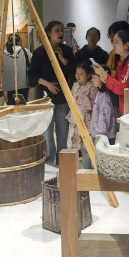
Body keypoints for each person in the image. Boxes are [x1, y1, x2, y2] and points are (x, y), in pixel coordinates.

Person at [28, 20, 76, 165]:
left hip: (63, 98)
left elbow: (74, 72)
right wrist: (47, 84)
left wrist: (63, 59)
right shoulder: (39, 52)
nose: (60, 33)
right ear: (48, 33)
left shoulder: (67, 51)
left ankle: (62, 161)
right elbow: (32, 76)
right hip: (45, 98)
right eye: (57, 30)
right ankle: (48, 161)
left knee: (63, 131)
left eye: (62, 30)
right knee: (47, 132)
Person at [93, 30, 129, 114]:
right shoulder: (123, 60)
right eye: (113, 42)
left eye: (116, 42)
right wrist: (104, 76)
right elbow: (116, 82)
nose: (113, 44)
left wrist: (104, 75)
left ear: (126, 45)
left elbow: (122, 88)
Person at [67, 61, 97, 169]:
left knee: (86, 148)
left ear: (88, 75)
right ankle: (73, 170)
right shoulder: (75, 85)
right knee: (73, 146)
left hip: (86, 121)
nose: (78, 76)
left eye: (81, 74)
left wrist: (81, 99)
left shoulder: (92, 88)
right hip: (74, 120)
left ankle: (87, 170)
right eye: (76, 73)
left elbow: (93, 106)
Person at [1, 33, 32, 104]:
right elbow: (32, 64)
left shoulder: (3, 54)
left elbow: (1, 68)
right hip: (24, 83)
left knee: (11, 105)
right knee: (23, 104)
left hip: (9, 85)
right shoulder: (26, 51)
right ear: (19, 42)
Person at [90, 64, 117, 145]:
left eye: (94, 77)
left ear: (102, 77)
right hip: (104, 134)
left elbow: (104, 116)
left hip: (104, 136)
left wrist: (99, 134)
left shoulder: (105, 95)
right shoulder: (101, 93)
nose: (92, 80)